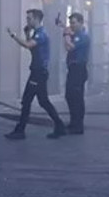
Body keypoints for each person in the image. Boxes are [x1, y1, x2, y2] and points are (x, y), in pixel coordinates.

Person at [5, 9, 66, 140]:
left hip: (38, 73)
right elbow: (32, 48)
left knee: (27, 100)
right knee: (43, 101)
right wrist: (27, 34)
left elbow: (28, 45)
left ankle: (20, 130)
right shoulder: (37, 33)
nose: (27, 21)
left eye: (29, 18)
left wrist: (13, 35)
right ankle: (59, 125)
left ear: (37, 19)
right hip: (38, 72)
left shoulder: (41, 34)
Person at [63, 13, 90, 134]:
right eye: (71, 23)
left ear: (80, 22)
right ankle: (73, 121)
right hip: (72, 69)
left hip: (79, 69)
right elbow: (67, 46)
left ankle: (78, 125)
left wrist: (66, 34)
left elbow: (70, 47)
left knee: (77, 97)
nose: (72, 25)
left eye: (74, 23)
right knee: (69, 96)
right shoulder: (75, 35)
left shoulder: (82, 36)